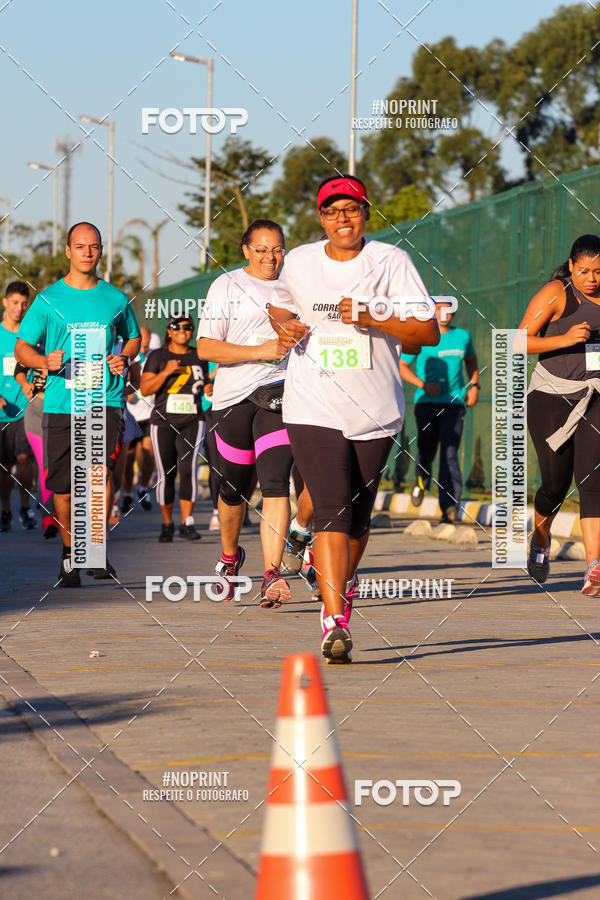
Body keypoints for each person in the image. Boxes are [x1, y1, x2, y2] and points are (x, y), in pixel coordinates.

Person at [269, 174, 439, 663]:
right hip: (312, 403)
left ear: (366, 213)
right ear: (320, 218)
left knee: (359, 515)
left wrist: (371, 317)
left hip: (376, 408)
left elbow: (426, 330)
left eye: (352, 209)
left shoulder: (391, 261)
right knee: (332, 509)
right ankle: (334, 619)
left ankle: (340, 581)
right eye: (332, 211)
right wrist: (287, 327)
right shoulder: (300, 260)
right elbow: (278, 307)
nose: (342, 218)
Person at [15, 222, 141, 585]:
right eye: (80, 246)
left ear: (100, 252)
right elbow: (23, 347)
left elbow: (131, 337)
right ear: (68, 251)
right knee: (65, 486)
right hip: (61, 402)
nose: (88, 252)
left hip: (104, 399)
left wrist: (125, 358)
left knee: (98, 477)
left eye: (94, 246)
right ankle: (71, 554)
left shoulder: (115, 298)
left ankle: (96, 551)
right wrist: (43, 361)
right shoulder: (48, 300)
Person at [196, 219, 293, 606]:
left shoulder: (295, 286)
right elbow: (206, 348)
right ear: (246, 250)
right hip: (233, 398)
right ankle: (230, 556)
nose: (271, 257)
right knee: (232, 490)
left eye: (278, 249)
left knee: (275, 481)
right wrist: (260, 350)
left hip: (279, 394)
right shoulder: (227, 286)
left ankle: (273, 574)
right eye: (262, 249)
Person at [520, 234, 600, 593]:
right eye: (583, 271)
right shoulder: (556, 293)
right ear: (571, 267)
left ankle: (594, 566)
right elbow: (518, 339)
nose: (592, 278)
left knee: (592, 479)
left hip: (594, 395)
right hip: (551, 395)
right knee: (555, 484)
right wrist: (565, 339)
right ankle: (540, 538)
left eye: (598, 272)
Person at [400, 297, 479, 523]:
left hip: (454, 404)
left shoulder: (463, 337)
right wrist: (423, 385)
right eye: (439, 308)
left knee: (450, 452)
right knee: (427, 450)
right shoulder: (422, 337)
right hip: (426, 404)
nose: (445, 312)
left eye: (448, 308)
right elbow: (402, 366)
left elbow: (472, 361)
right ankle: (421, 481)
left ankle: (450, 507)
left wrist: (474, 385)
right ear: (432, 311)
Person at [141, 315, 208, 542]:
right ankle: (167, 523)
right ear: (168, 331)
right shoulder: (158, 356)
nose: (183, 330)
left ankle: (187, 523)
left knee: (188, 470)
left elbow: (204, 382)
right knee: (166, 473)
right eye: (177, 327)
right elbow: (146, 387)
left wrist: (208, 386)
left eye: (188, 327)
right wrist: (166, 372)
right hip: (163, 421)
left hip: (192, 419)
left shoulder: (199, 355)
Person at [14, 345, 59, 538]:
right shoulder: (34, 347)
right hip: (36, 410)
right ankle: (48, 516)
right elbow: (19, 370)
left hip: (60, 410)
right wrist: (25, 384)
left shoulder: (67, 343)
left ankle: (62, 511)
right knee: (44, 464)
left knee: (60, 464)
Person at [0, 281, 36, 531]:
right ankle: (5, 511)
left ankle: (25, 507)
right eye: (15, 303)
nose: (19, 308)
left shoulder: (30, 334)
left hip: (27, 409)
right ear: (5, 303)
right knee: (3, 464)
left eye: (24, 304)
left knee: (25, 459)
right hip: (3, 412)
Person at [121, 326, 156, 514]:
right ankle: (127, 492)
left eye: (147, 345)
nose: (144, 349)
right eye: (142, 345)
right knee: (128, 459)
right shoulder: (126, 354)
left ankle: (143, 485)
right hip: (130, 413)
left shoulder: (153, 356)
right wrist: (127, 391)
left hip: (149, 413)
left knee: (149, 452)